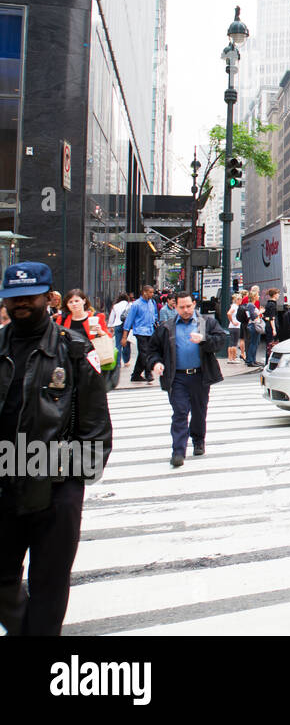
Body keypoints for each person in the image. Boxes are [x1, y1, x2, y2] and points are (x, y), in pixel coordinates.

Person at [0, 262, 111, 635]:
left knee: (49, 584)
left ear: (49, 298)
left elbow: (97, 433)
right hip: (4, 485)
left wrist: (65, 484)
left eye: (29, 298)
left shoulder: (77, 352)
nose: (21, 305)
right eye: (13, 298)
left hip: (56, 490)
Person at [146, 293, 229, 468]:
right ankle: (178, 451)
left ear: (194, 305)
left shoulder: (205, 323)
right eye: (182, 307)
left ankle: (198, 441)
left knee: (199, 411)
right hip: (177, 377)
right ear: (175, 307)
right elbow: (152, 350)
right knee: (180, 413)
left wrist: (204, 340)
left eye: (188, 306)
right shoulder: (166, 327)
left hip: (200, 375)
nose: (186, 310)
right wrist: (156, 363)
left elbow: (221, 341)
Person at [121, 284, 158, 383]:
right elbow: (129, 321)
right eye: (150, 292)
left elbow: (154, 316)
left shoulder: (152, 302)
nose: (152, 294)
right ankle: (148, 372)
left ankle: (136, 375)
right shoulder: (136, 304)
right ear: (144, 292)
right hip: (140, 332)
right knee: (145, 353)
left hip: (150, 331)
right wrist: (124, 337)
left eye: (152, 292)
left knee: (144, 354)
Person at [262, 288, 281, 357]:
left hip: (268, 325)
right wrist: (274, 329)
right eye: (278, 294)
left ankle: (268, 359)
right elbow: (272, 318)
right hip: (271, 326)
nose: (279, 295)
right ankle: (270, 359)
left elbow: (266, 316)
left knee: (269, 344)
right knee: (272, 343)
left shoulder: (268, 303)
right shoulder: (272, 304)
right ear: (274, 295)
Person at [226, 293, 242, 364]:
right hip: (235, 326)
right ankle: (234, 358)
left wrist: (231, 322)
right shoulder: (235, 307)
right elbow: (229, 313)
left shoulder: (233, 306)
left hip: (231, 326)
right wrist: (232, 321)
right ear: (237, 300)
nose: (241, 301)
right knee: (234, 343)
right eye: (240, 299)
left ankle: (230, 358)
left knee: (231, 343)